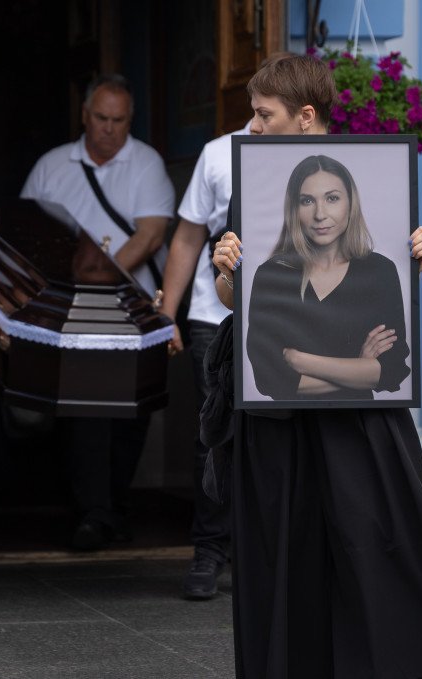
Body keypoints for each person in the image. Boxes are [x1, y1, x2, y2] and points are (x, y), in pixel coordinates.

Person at [209, 55, 422, 677]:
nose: (253, 127)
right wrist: (228, 271)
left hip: (359, 426)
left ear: (305, 116)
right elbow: (246, 324)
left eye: (264, 114)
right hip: (277, 427)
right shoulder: (254, 202)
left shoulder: (378, 248)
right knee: (285, 560)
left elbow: (386, 367)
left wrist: (414, 263)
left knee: (372, 550)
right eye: (254, 114)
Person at [21, 74, 175, 550]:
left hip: (132, 304)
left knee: (132, 412)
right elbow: (31, 237)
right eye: (102, 118)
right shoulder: (51, 166)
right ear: (85, 116)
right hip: (68, 311)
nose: (109, 129)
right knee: (84, 410)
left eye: (119, 120)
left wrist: (100, 278)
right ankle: (94, 512)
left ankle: (114, 507)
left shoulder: (146, 163)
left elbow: (151, 234)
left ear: (131, 120)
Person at [157, 120, 248, 598]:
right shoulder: (217, 153)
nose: (260, 120)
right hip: (213, 315)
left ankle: (258, 552)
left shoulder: (314, 152)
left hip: (286, 317)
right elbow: (188, 237)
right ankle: (209, 549)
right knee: (213, 432)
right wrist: (167, 314)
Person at [246, 154, 411, 402]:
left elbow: (392, 371)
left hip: (360, 421)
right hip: (294, 422)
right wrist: (359, 369)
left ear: (350, 203)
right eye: (307, 201)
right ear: (294, 208)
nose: (320, 214)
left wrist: (301, 361)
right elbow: (269, 380)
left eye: (332, 198)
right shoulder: (271, 275)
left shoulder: (380, 271)